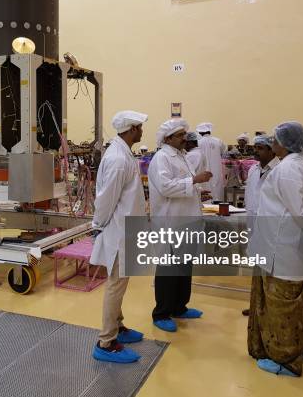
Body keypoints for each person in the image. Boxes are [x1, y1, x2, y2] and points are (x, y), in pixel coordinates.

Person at [247, 121, 303, 377]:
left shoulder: (288, 170)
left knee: (282, 306)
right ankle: (297, 346)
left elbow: (299, 213)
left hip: (282, 248)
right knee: (297, 302)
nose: (273, 143)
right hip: (292, 246)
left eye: (276, 140)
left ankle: (285, 359)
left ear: (285, 144)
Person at [90, 110, 148, 363]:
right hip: (117, 230)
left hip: (126, 228)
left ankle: (119, 327)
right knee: (115, 284)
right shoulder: (117, 158)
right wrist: (98, 225)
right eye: (140, 127)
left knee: (120, 281)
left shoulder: (123, 154)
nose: (142, 131)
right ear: (132, 129)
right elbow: (106, 200)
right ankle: (106, 341)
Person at [148, 119, 212, 332]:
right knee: (168, 268)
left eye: (185, 134)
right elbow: (166, 188)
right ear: (167, 138)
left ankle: (179, 307)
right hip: (170, 222)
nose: (185, 138)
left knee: (184, 266)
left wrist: (197, 190)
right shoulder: (162, 158)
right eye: (180, 135)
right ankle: (162, 313)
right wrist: (194, 181)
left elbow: (182, 184)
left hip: (186, 220)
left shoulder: (182, 156)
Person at [241, 135, 279, 316]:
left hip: (273, 228)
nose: (256, 151)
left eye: (261, 148)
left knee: (272, 269)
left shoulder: (281, 171)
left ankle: (271, 307)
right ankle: (256, 304)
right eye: (255, 147)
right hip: (254, 225)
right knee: (257, 267)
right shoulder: (253, 170)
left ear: (272, 150)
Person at [196, 122, 226, 201]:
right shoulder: (219, 141)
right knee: (217, 187)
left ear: (200, 132)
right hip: (217, 169)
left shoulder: (198, 142)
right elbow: (224, 152)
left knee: (206, 188)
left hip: (204, 170)